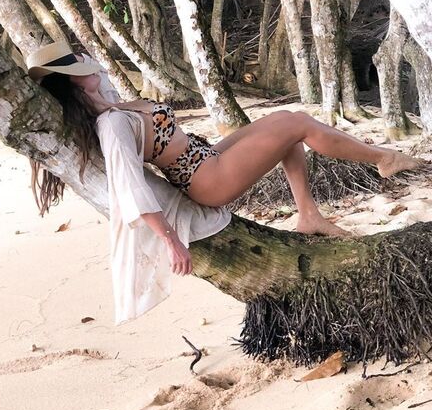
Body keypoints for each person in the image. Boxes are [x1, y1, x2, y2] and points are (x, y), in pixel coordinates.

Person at [26, 42, 422, 323]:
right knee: (297, 125)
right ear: (74, 80)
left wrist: (85, 73)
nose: (89, 62)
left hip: (206, 158)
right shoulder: (111, 124)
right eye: (79, 63)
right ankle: (383, 159)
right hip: (207, 179)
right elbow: (130, 188)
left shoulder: (111, 103)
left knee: (286, 119)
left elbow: (99, 78)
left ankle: (308, 215)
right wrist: (170, 240)